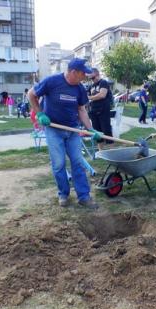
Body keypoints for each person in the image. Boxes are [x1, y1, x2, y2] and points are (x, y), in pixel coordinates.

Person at [27, 58, 100, 209]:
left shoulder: (79, 89)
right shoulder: (52, 81)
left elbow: (81, 110)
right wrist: (40, 114)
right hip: (54, 130)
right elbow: (31, 94)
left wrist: (90, 129)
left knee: (78, 163)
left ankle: (84, 196)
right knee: (59, 163)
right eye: (83, 74)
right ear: (73, 72)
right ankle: (63, 194)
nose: (85, 77)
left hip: (73, 131)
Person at [87, 68, 113, 149]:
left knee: (106, 131)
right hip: (94, 111)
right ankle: (101, 151)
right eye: (90, 79)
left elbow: (102, 95)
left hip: (103, 110)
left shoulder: (103, 82)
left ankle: (112, 152)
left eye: (93, 78)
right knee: (97, 132)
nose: (92, 80)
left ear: (97, 74)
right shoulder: (91, 86)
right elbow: (85, 98)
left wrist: (90, 97)